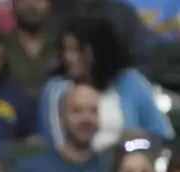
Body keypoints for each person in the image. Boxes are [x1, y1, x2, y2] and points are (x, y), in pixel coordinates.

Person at [38, 16, 173, 151]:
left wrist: (131, 145)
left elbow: (161, 136)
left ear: (98, 50)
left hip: (128, 168)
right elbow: (57, 146)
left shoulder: (130, 82)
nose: (69, 57)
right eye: (66, 50)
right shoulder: (56, 90)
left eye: (78, 50)